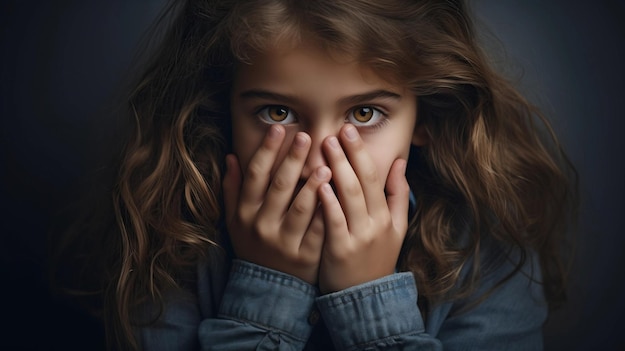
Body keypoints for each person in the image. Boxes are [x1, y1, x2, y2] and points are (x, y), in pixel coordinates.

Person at [52, 0, 578, 350]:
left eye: (364, 114)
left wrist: (369, 302)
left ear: (427, 116)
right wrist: (267, 293)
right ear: (221, 108)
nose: (321, 159)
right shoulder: (170, 236)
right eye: (277, 113)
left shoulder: (489, 254)